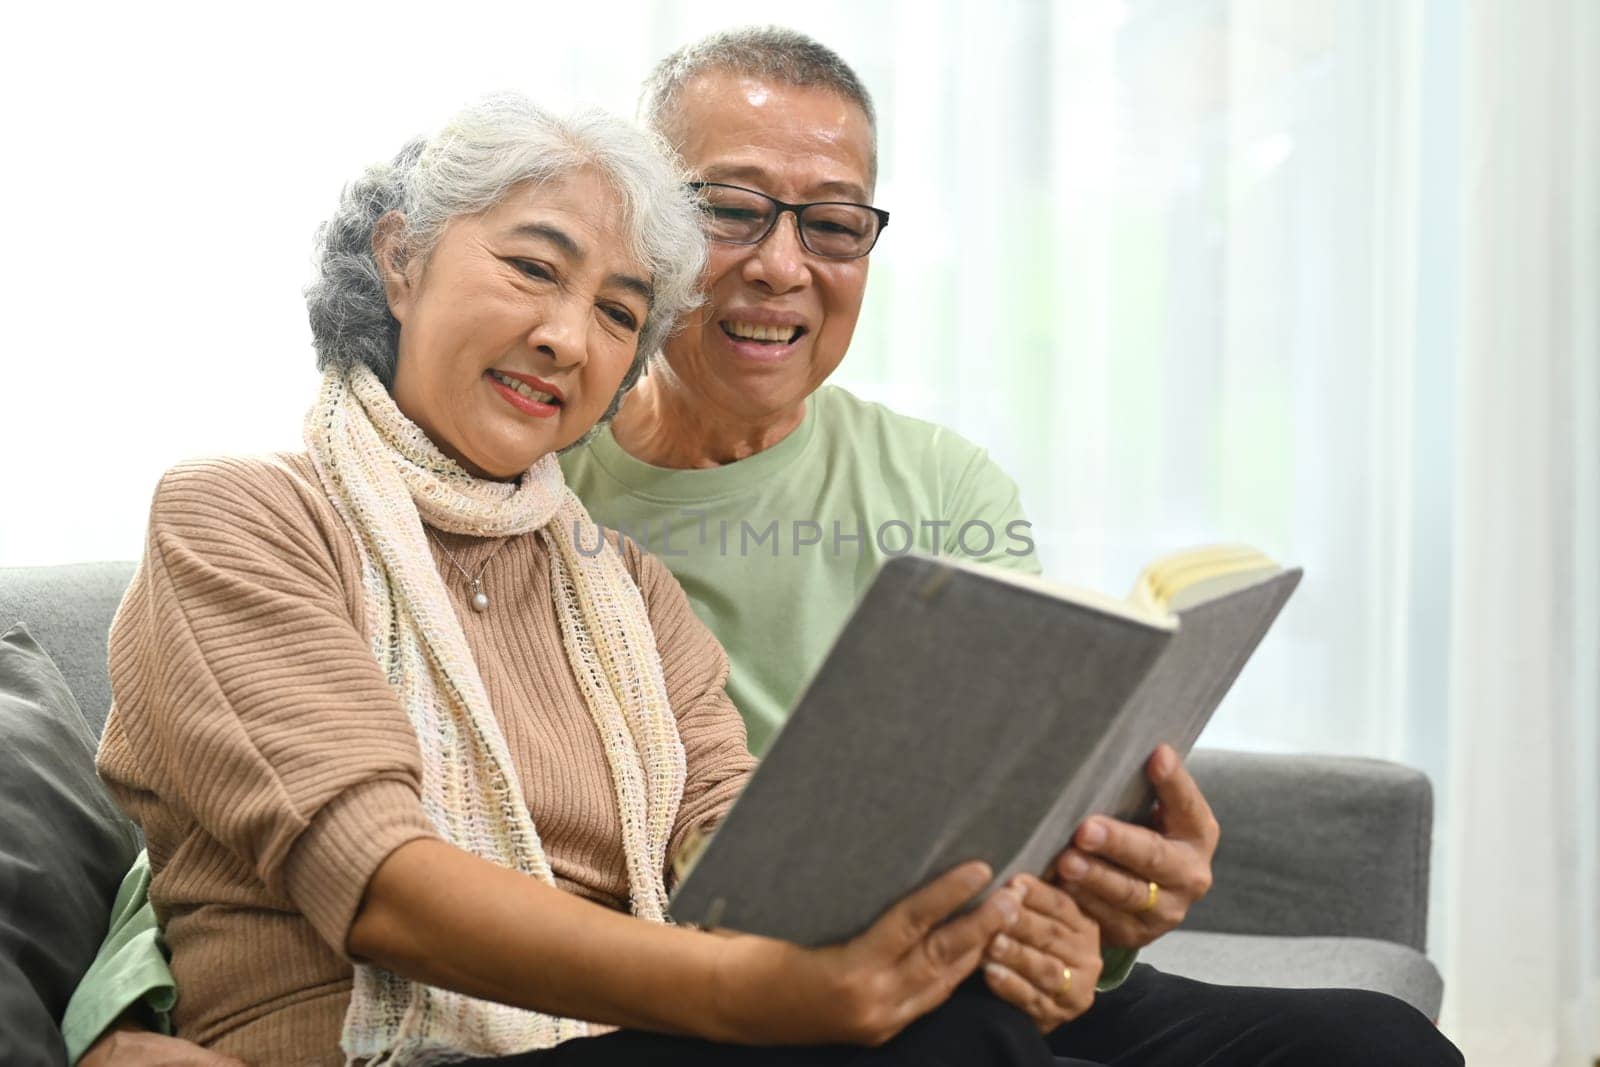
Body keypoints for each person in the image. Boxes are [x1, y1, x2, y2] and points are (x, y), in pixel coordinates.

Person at [86, 92, 1107, 1066]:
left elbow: (735, 842)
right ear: (400, 259)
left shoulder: (623, 583)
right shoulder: (238, 516)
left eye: (619, 315)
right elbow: (382, 882)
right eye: (534, 268)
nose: (567, 338)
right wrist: (741, 987)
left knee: (967, 1021)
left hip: (617, 1038)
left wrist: (981, 918)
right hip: (378, 1043)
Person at [555, 27, 1464, 1067]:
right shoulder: (545, 488)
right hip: (745, 1001)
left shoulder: (940, 481)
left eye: (835, 224)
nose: (781, 265)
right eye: (729, 209)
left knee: (1378, 1041)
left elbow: (1029, 800)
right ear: (645, 222)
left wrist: (1099, 920)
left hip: (973, 971)